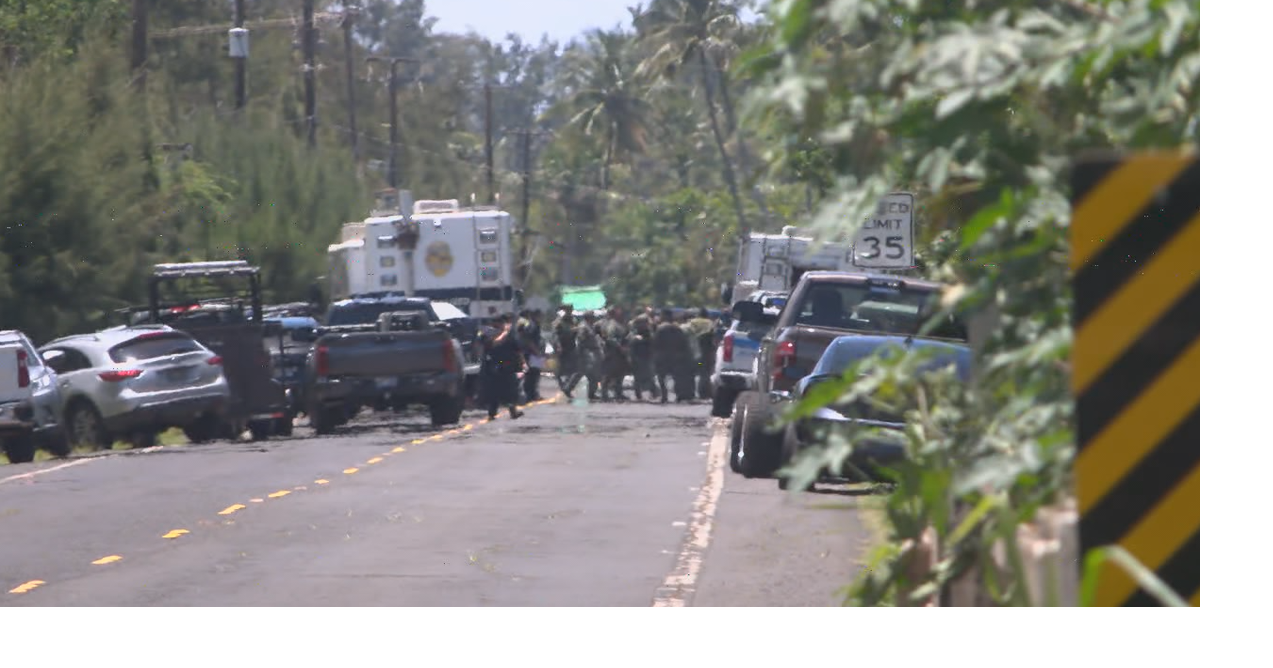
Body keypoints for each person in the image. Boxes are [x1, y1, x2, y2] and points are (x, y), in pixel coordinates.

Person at [479, 314, 524, 420]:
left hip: (507, 364)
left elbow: (517, 349)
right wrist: (504, 333)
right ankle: (493, 412)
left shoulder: (509, 335)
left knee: (510, 389)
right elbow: (493, 344)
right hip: (495, 363)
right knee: (496, 389)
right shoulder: (487, 333)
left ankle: (512, 411)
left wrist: (522, 362)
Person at [653, 308, 695, 403]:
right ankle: (679, 395)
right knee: (677, 377)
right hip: (676, 356)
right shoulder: (677, 328)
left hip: (662, 356)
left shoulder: (660, 328)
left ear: (664, 316)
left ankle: (664, 396)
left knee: (661, 377)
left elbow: (655, 343)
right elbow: (684, 343)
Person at [567, 310, 604, 401]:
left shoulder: (589, 326)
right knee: (586, 373)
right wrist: (585, 352)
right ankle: (568, 389)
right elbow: (581, 339)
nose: (594, 318)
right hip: (586, 353)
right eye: (592, 317)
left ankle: (591, 393)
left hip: (591, 352)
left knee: (590, 374)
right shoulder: (584, 327)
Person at [686, 307, 718, 400]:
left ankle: (691, 393)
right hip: (706, 352)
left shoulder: (692, 322)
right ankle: (703, 393)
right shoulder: (710, 323)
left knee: (692, 372)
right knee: (704, 373)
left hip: (693, 352)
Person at [600, 306, 631, 402]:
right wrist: (620, 347)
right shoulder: (612, 325)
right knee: (609, 373)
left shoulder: (619, 324)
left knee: (620, 373)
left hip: (620, 352)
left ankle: (618, 392)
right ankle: (604, 394)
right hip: (614, 352)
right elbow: (611, 338)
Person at [626, 312, 656, 401]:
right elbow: (630, 345)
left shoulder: (649, 332)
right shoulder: (634, 334)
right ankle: (638, 395)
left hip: (648, 357)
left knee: (650, 376)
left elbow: (652, 342)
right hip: (638, 357)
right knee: (638, 378)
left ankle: (653, 393)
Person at [517, 308, 545, 402]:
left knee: (533, 374)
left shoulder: (532, 324)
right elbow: (529, 340)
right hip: (532, 353)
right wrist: (536, 351)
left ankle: (532, 394)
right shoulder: (532, 325)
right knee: (533, 374)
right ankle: (531, 394)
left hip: (532, 353)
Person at [552, 305, 578, 399]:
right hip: (562, 347)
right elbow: (555, 335)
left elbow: (576, 332)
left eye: (570, 310)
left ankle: (567, 387)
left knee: (574, 369)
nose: (569, 312)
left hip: (571, 346)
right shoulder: (558, 322)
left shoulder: (573, 320)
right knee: (561, 368)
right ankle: (562, 384)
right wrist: (558, 346)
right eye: (568, 310)